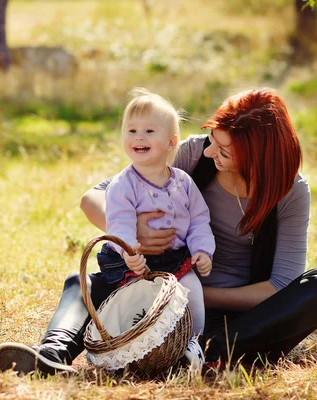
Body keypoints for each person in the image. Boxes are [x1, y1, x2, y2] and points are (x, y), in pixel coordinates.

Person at [0, 87, 317, 377]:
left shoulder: (290, 191)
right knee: (82, 282)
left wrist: (194, 295)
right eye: (211, 139)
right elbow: (93, 198)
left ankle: (206, 352)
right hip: (164, 291)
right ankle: (51, 354)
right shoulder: (194, 155)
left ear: (259, 156)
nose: (210, 150)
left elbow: (280, 287)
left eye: (224, 149)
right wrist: (135, 234)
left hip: (242, 318)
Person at [95, 88, 214, 367]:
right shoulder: (123, 184)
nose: (138, 137)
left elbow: (199, 219)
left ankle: (192, 344)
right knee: (142, 307)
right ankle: (137, 350)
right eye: (131, 130)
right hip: (135, 261)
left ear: (171, 143)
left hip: (176, 257)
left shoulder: (183, 182)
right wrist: (128, 250)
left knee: (191, 295)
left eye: (149, 131)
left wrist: (203, 250)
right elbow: (119, 221)